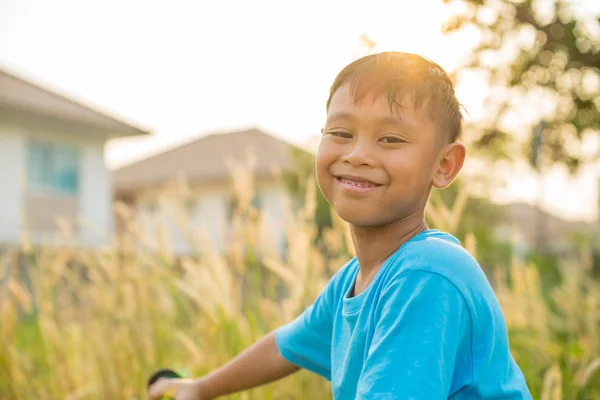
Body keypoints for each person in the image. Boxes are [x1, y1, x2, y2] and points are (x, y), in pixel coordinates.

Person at [148, 51, 533, 399]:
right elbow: (287, 347)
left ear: (444, 165)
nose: (358, 154)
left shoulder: (427, 274)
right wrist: (200, 388)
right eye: (341, 133)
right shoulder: (356, 280)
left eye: (391, 138)